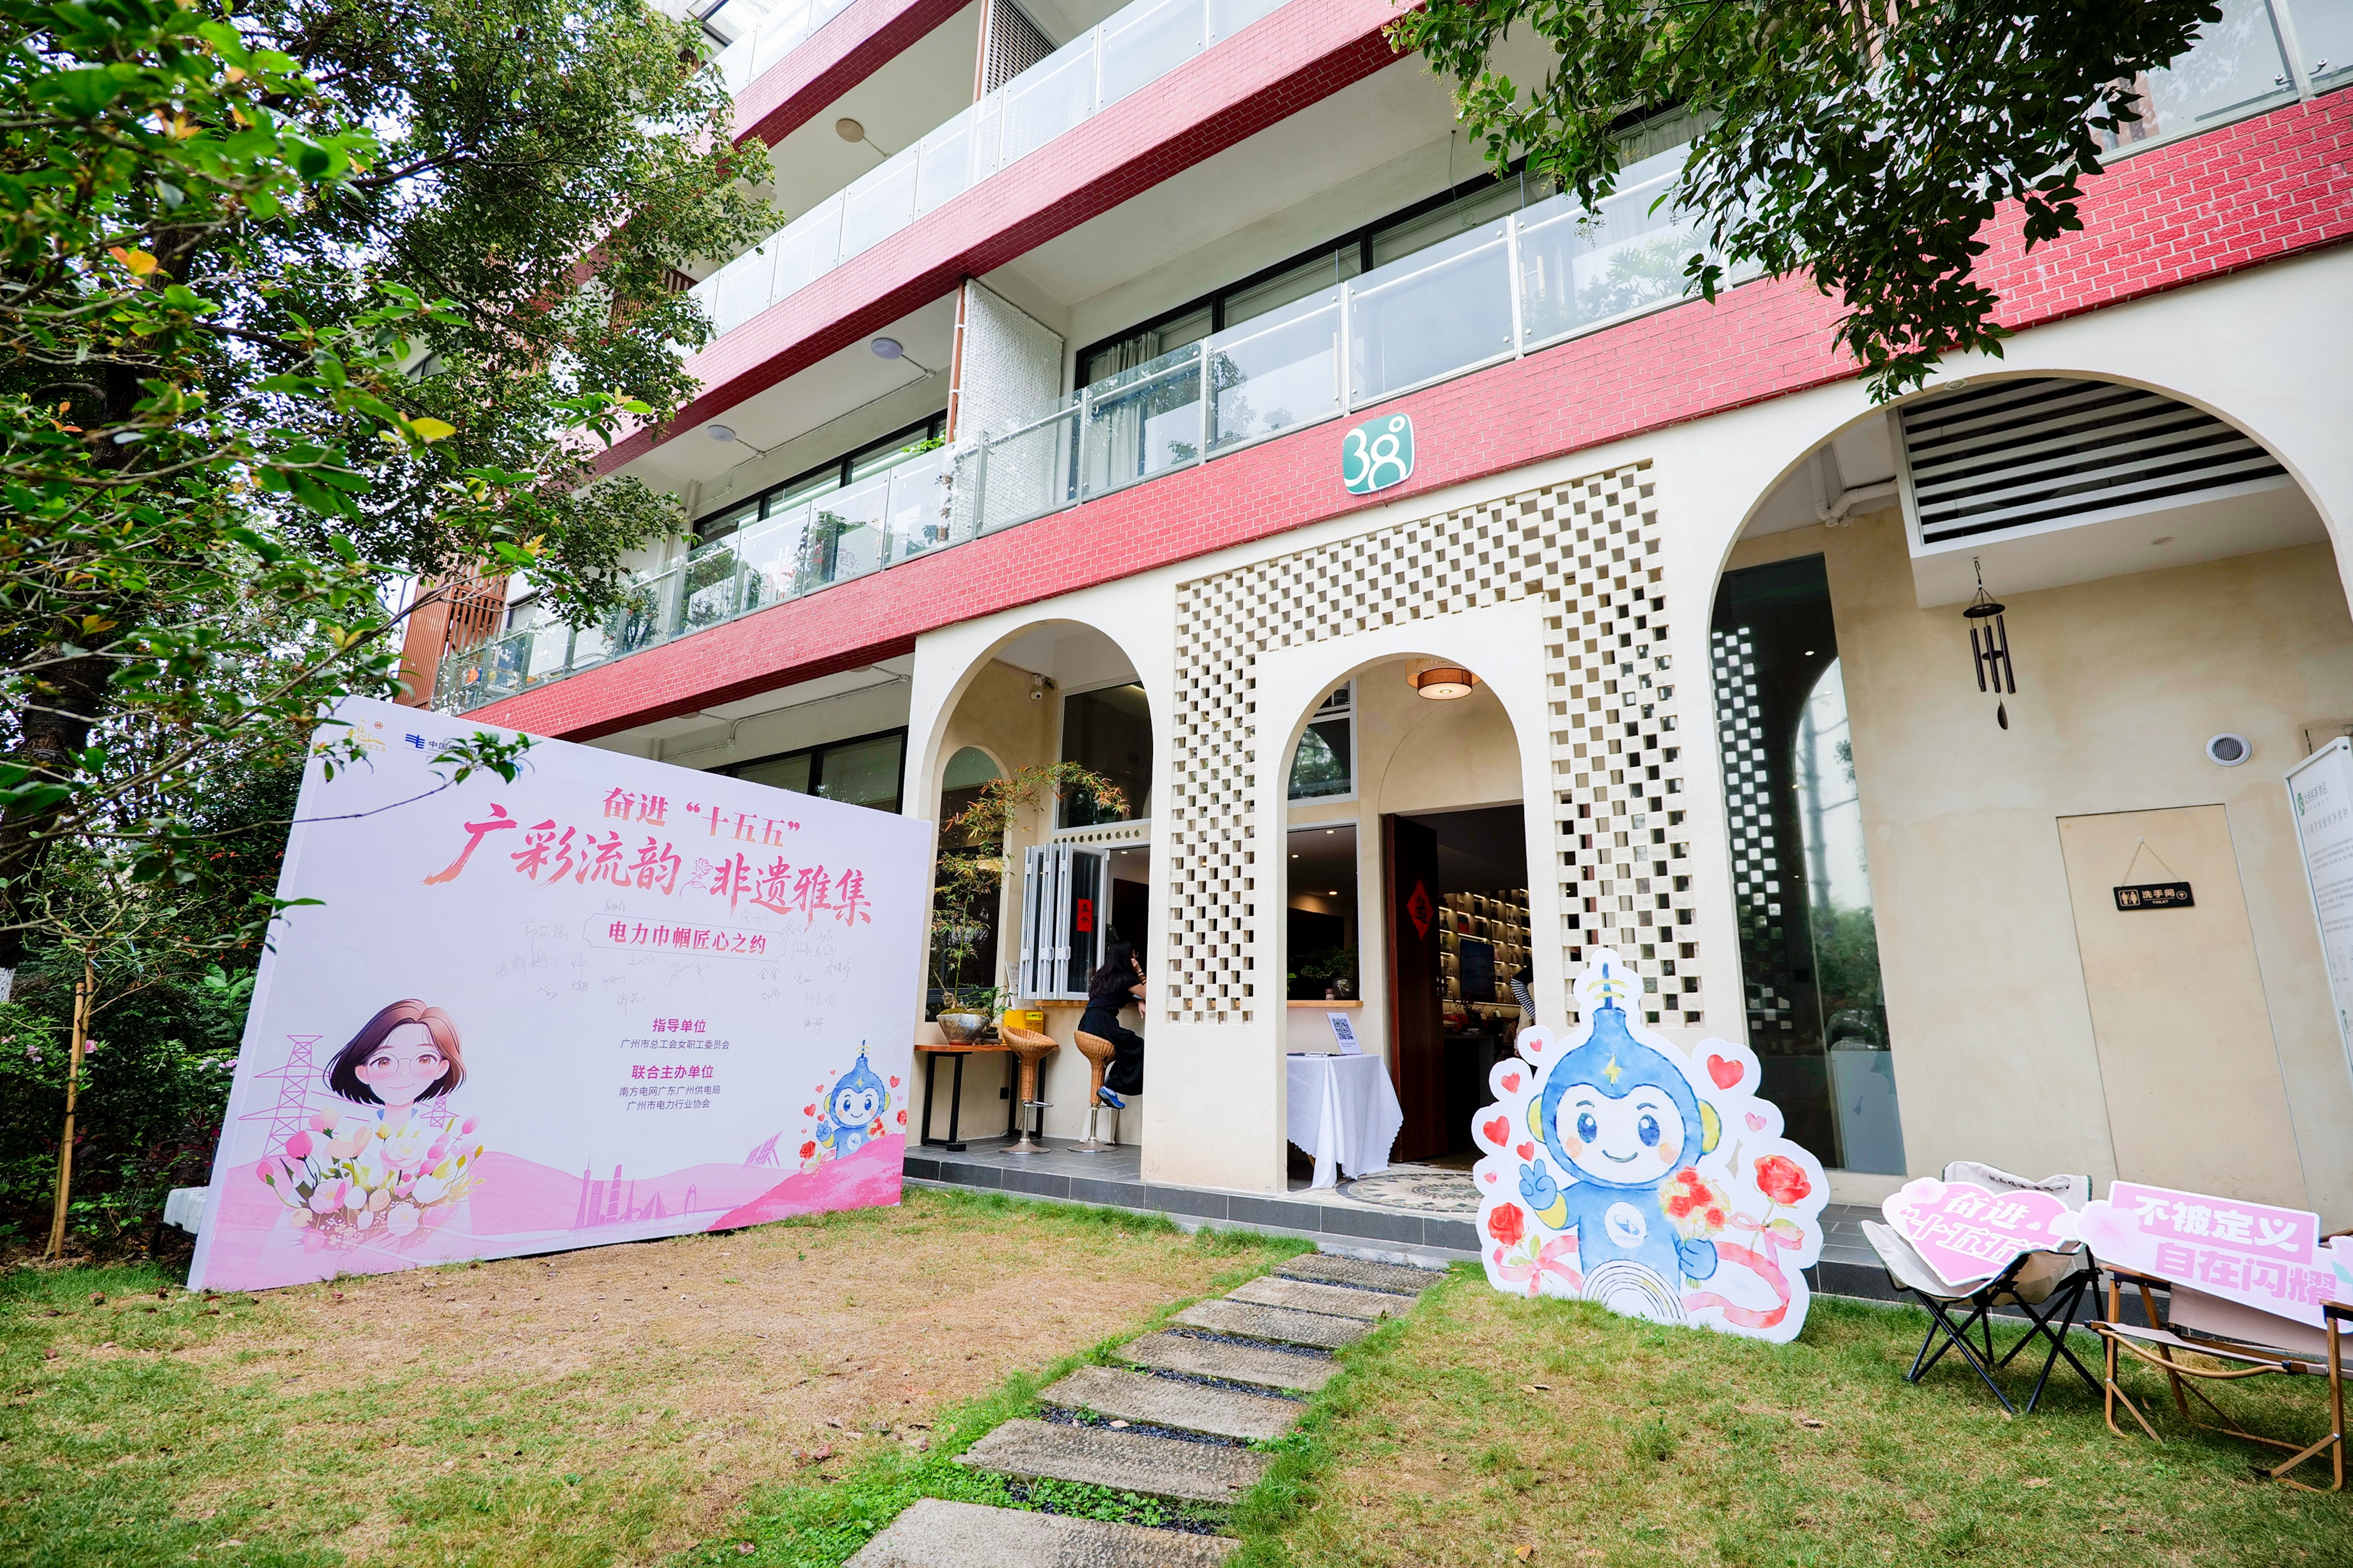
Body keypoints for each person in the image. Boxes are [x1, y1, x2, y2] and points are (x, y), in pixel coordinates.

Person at [1081, 935, 1146, 1107]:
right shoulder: (1125, 978)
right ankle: (1111, 1086)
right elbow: (1150, 993)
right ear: (1129, 956)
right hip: (1103, 1023)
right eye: (1135, 954)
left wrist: (1137, 1001)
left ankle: (1110, 1085)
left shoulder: (1104, 975)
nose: (1136, 957)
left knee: (1127, 1046)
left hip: (1087, 1023)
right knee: (1138, 1046)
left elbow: (1116, 995)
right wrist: (1139, 971)